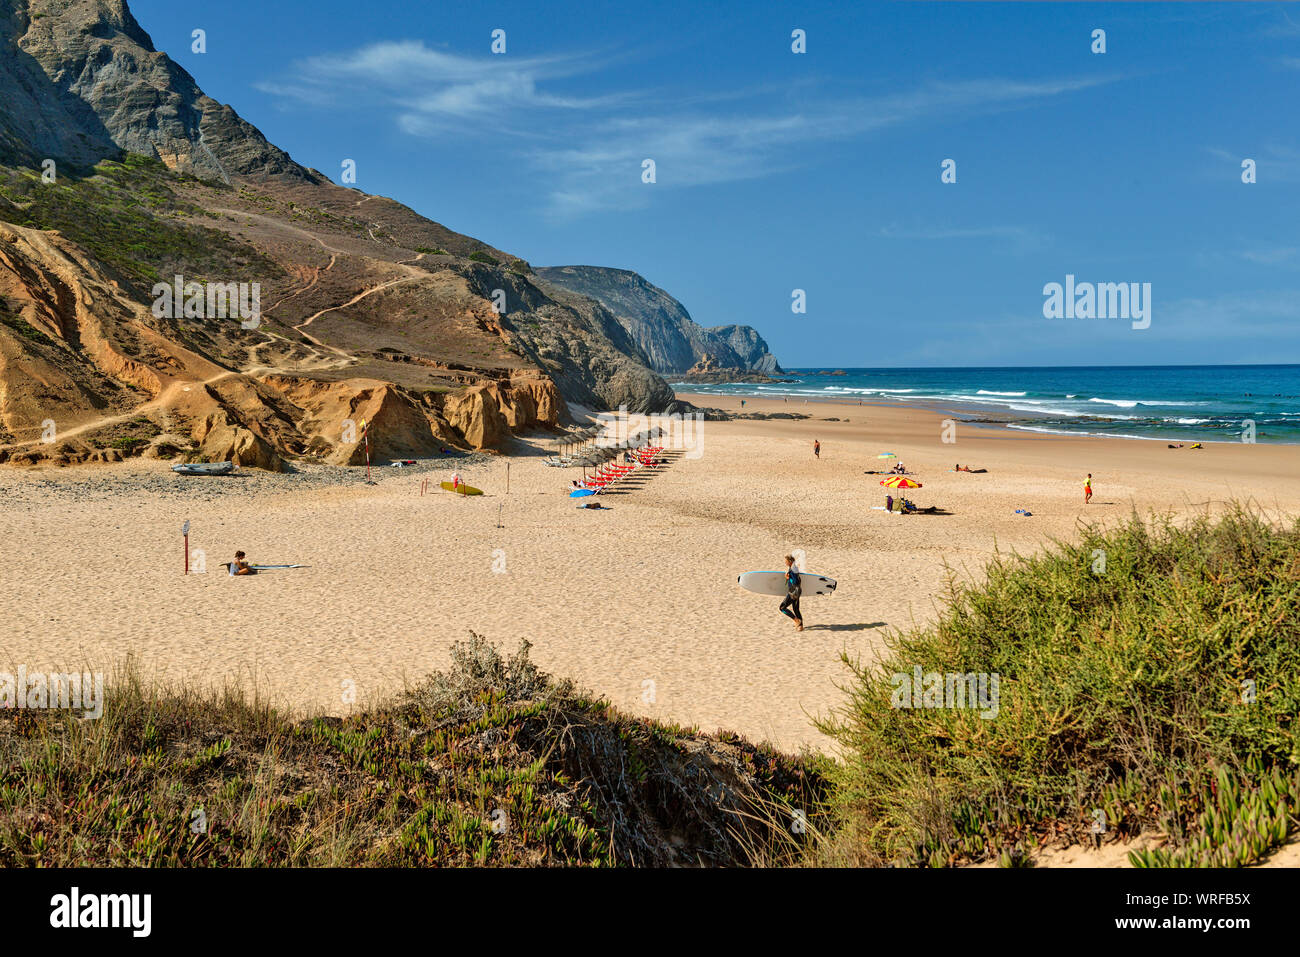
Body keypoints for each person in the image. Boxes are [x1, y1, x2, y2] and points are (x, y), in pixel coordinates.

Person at [779, 554, 803, 631]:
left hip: (793, 592)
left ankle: (796, 620)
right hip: (797, 591)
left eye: (786, 561)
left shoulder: (794, 569)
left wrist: (788, 577)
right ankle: (800, 626)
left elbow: (795, 580)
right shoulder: (793, 567)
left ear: (790, 561)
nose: (785, 563)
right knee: (796, 609)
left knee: (782, 608)